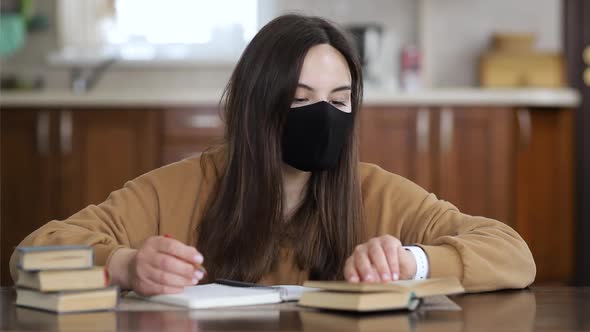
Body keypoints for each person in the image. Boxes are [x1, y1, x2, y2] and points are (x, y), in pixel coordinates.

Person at [10, 14, 535, 296]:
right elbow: (33, 252)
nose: (323, 115)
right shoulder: (181, 187)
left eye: (339, 100)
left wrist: (413, 262)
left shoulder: (374, 190)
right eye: (300, 99)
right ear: (253, 107)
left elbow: (511, 252)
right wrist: (125, 266)